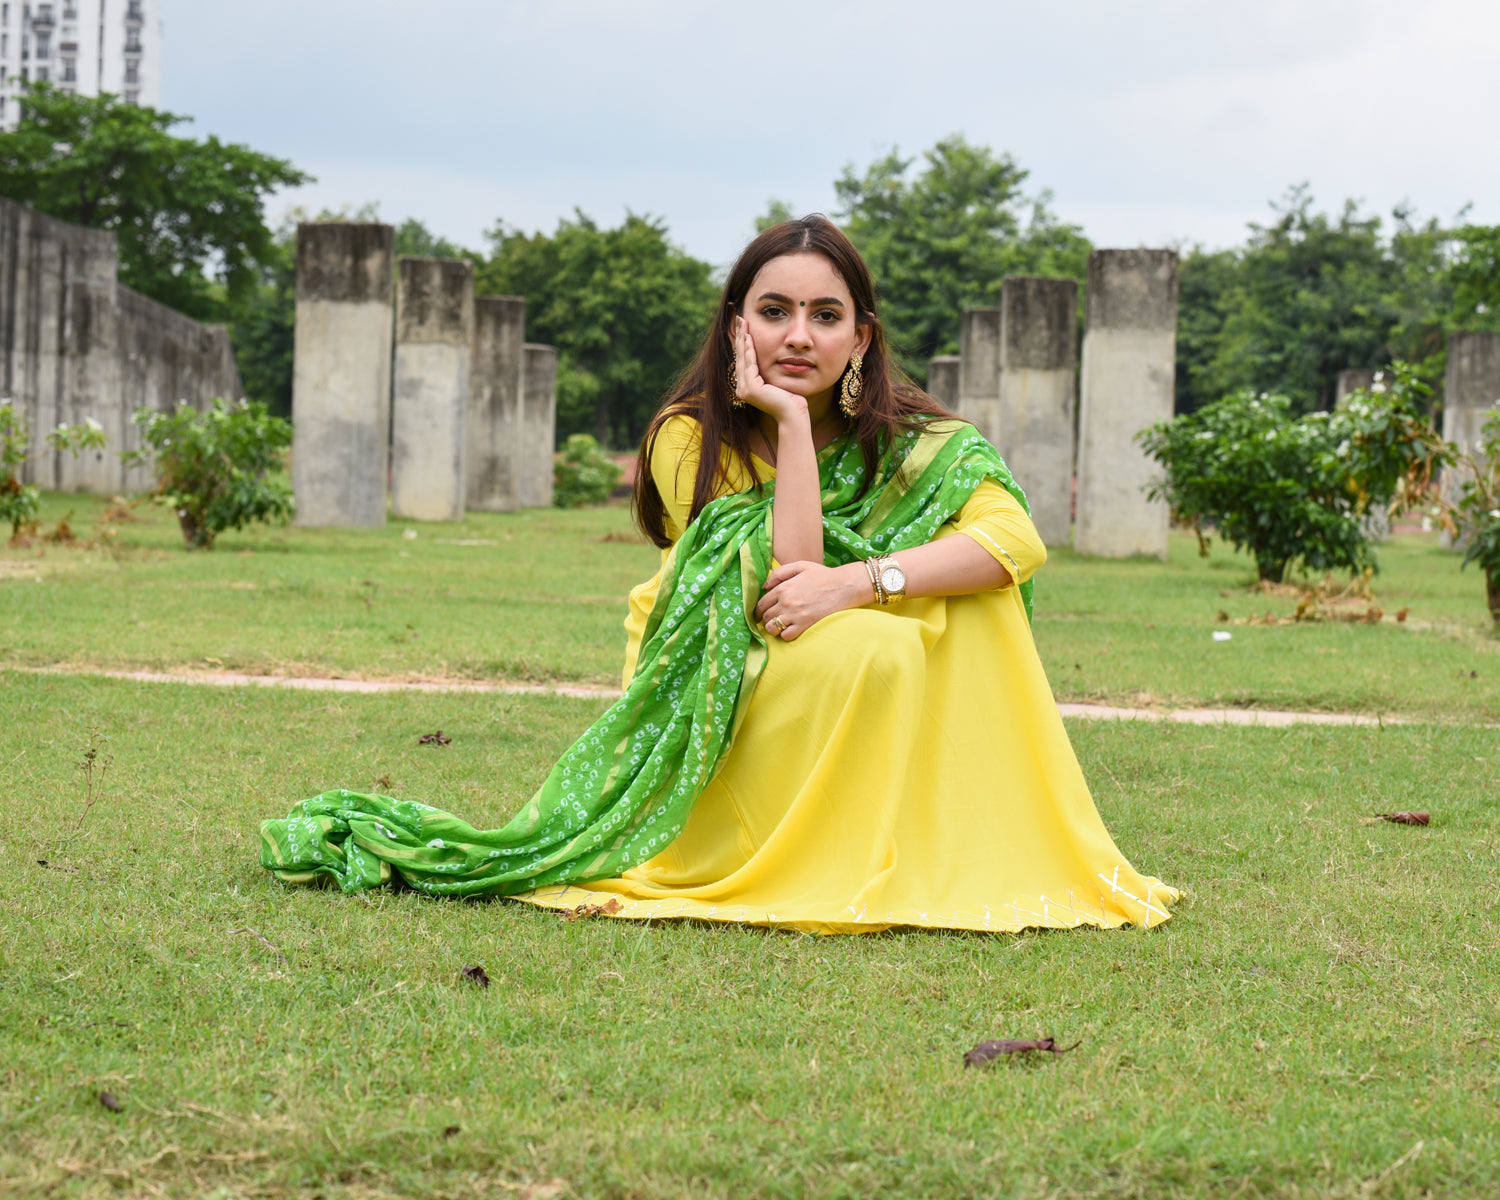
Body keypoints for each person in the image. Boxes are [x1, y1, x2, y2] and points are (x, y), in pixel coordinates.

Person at [259, 216, 1177, 935]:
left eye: (826, 316)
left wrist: (866, 581)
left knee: (954, 608)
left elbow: (1014, 542)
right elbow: (783, 583)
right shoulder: (688, 438)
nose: (798, 336)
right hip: (722, 670)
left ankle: (927, 844)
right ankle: (806, 857)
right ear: (738, 324)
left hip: (841, 634)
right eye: (774, 312)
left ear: (862, 336)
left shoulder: (920, 443)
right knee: (879, 650)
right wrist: (788, 422)